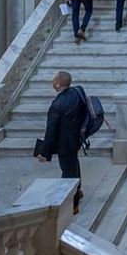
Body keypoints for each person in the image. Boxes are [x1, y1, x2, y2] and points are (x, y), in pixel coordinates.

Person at [36, 71, 87, 214]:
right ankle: (78, 190)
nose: (52, 82)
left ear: (57, 84)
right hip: (76, 138)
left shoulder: (57, 105)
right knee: (74, 165)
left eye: (54, 80)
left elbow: (51, 131)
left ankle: (73, 204)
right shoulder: (78, 91)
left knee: (68, 172)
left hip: (65, 143)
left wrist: (44, 153)